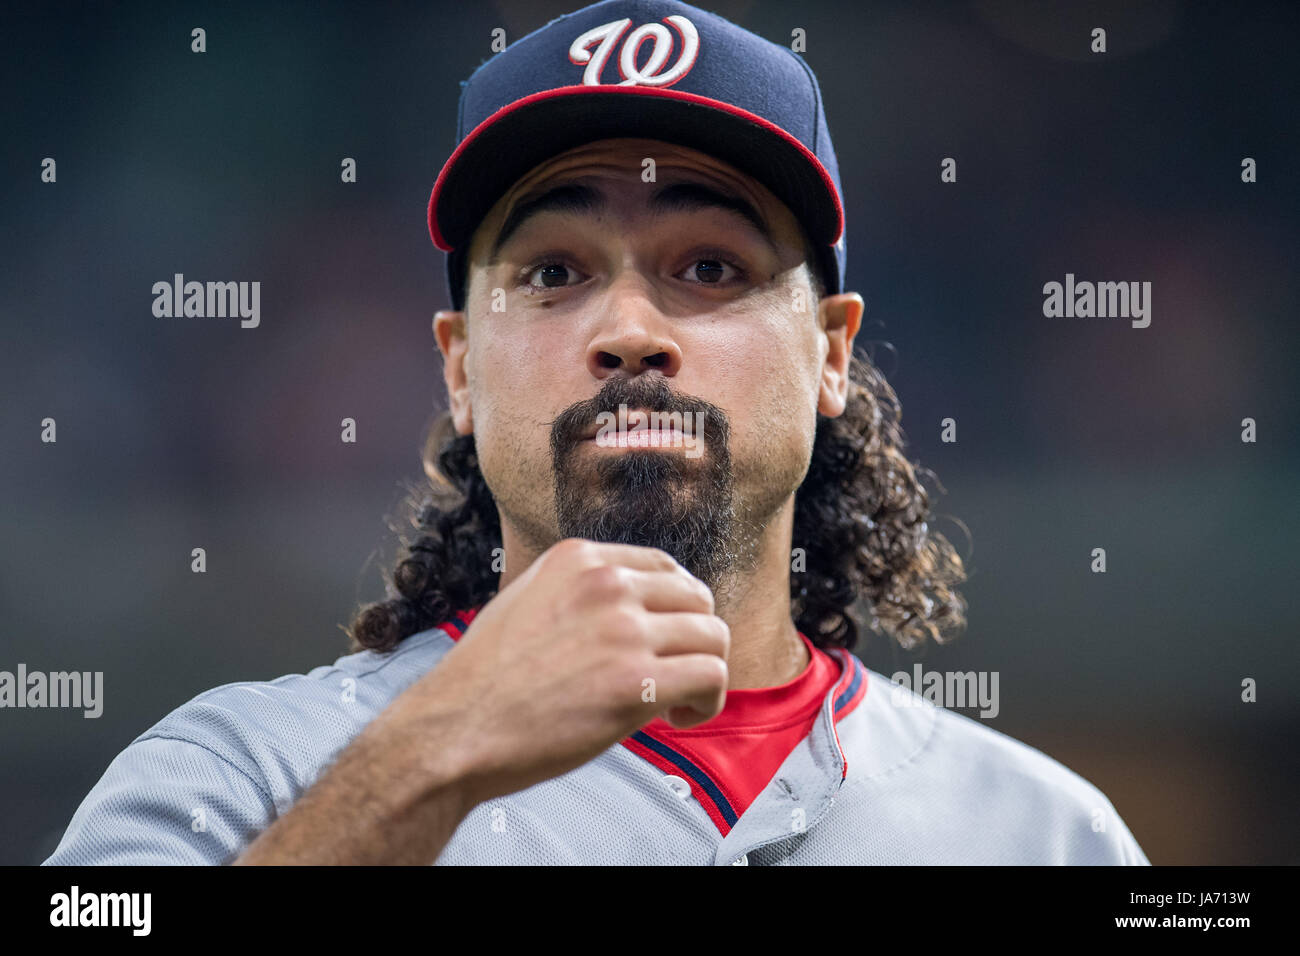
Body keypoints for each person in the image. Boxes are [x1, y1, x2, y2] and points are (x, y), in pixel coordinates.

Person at [44, 0, 1148, 865]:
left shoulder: (1053, 836)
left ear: (829, 352)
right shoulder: (235, 772)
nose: (628, 330)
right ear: (461, 366)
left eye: (709, 266)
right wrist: (433, 758)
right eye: (554, 271)